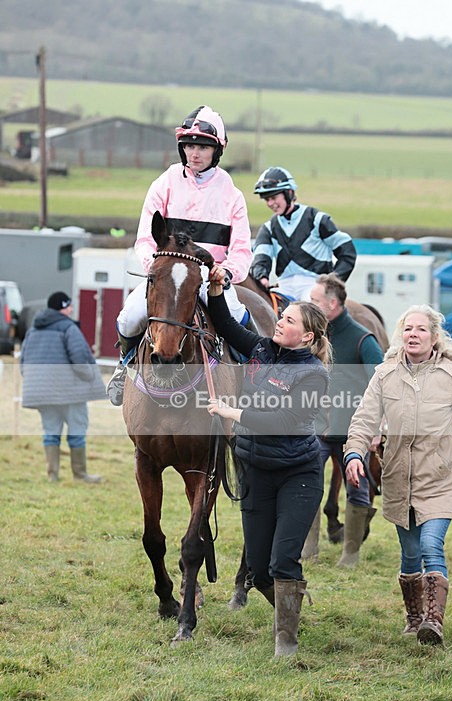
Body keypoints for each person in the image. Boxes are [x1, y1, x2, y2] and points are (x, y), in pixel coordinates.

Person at [343, 304, 452, 646]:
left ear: (434, 337)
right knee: (409, 555)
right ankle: (414, 618)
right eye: (408, 328)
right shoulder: (385, 374)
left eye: (421, 329)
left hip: (439, 478)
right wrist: (353, 453)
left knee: (430, 545)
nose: (413, 334)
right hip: (398, 478)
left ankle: (433, 621)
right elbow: (364, 419)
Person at [206, 263, 330, 657]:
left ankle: (287, 643)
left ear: (307, 336)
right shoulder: (260, 349)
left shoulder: (313, 375)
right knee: (259, 572)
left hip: (298, 475)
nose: (280, 321)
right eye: (282, 316)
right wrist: (216, 290)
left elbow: (286, 421)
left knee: (282, 562)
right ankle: (290, 611)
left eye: (289, 320)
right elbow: (226, 325)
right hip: (255, 470)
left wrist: (232, 412)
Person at [107, 105, 254, 405]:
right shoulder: (164, 183)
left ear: (217, 150)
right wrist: (156, 269)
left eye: (203, 147)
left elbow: (241, 251)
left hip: (209, 281)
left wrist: (226, 272)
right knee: (129, 318)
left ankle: (251, 381)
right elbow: (144, 239)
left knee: (240, 319)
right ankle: (124, 367)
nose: (194, 153)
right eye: (189, 146)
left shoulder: (232, 194)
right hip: (165, 278)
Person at [306, 273, 384, 566]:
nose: (309, 305)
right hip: (316, 430)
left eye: (314, 301)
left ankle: (350, 554)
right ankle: (308, 549)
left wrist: (376, 427)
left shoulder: (363, 339)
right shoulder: (312, 336)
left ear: (331, 304)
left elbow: (381, 385)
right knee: (306, 485)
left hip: (354, 432)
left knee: (357, 487)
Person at [20, 291, 106, 483]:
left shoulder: (33, 330)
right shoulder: (68, 328)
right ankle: (80, 475)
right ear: (62, 308)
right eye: (69, 306)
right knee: (77, 431)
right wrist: (89, 375)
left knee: (50, 432)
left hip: (44, 393)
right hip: (69, 392)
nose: (72, 309)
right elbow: (80, 358)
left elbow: (24, 362)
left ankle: (53, 475)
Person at [250, 166, 357, 301]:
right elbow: (261, 257)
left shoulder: (317, 219)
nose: (270, 203)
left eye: (273, 197)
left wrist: (332, 283)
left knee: (309, 306)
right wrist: (261, 276)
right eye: (266, 199)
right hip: (284, 287)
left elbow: (347, 252)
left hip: (316, 286)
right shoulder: (268, 228)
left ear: (289, 193)